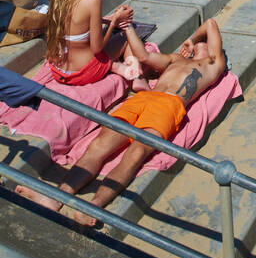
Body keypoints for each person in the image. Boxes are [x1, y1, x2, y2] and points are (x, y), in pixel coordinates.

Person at [17, 20, 229, 224]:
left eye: (206, 44)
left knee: (136, 154)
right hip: (143, 98)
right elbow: (144, 56)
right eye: (198, 45)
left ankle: (96, 205)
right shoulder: (175, 60)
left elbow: (210, 23)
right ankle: (57, 197)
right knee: (99, 145)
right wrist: (126, 28)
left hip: (169, 105)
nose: (201, 46)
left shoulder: (213, 64)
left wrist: (194, 38)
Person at [43, 0, 134, 86]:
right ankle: (134, 75)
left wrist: (103, 20)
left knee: (97, 35)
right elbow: (97, 48)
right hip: (84, 72)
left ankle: (116, 67)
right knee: (124, 37)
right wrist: (114, 22)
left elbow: (75, 21)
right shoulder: (93, 1)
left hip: (58, 71)